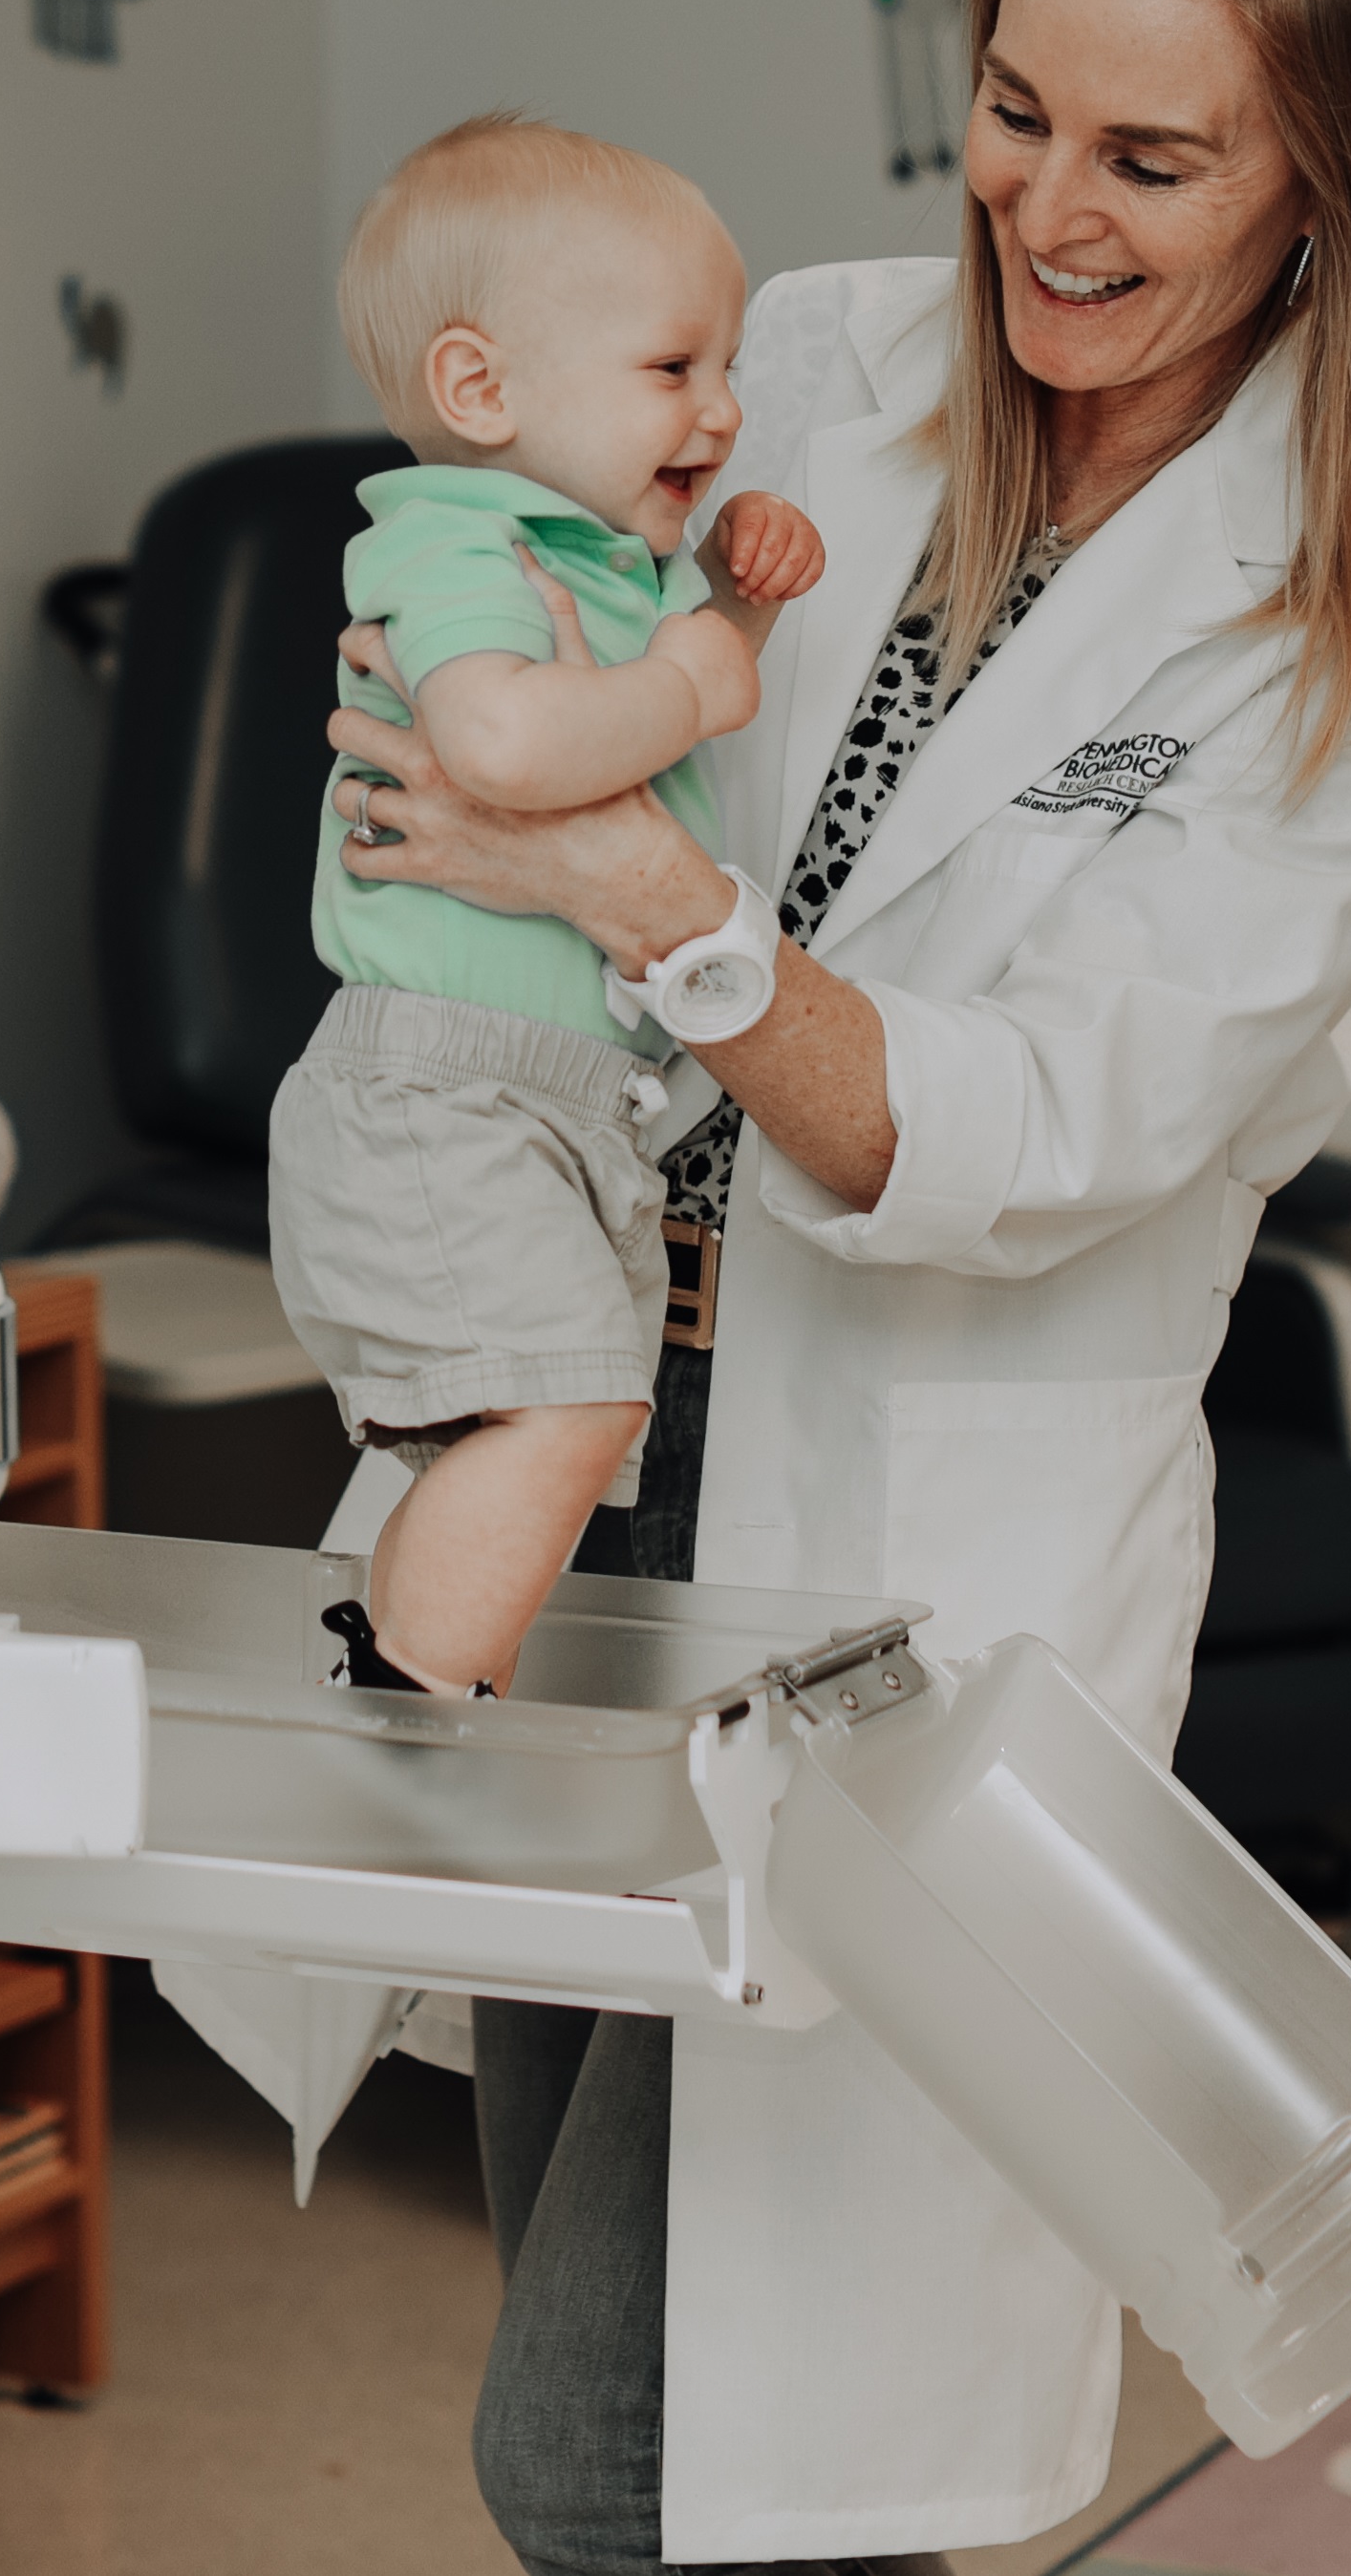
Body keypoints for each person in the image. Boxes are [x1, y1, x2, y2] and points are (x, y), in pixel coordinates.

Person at [319, 0, 1351, 2576]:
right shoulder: (801, 369)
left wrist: (639, 880)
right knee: (620, 2383)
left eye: (1149, 152)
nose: (1045, 209)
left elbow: (1038, 1131)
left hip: (915, 1567)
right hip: (602, 1443)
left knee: (646, 2449)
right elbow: (467, 628)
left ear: (1321, 169)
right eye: (1010, 110)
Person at [271, 117, 829, 1699]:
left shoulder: (597, 555)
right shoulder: (456, 539)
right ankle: (402, 1709)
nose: (723, 411)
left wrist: (738, 603)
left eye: (727, 370)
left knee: (571, 1425)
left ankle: (395, 1672)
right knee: (574, 1409)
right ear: (479, 392)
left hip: (547, 1100)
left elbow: (635, 738)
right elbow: (506, 743)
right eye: (675, 369)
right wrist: (694, 671)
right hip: (443, 1090)